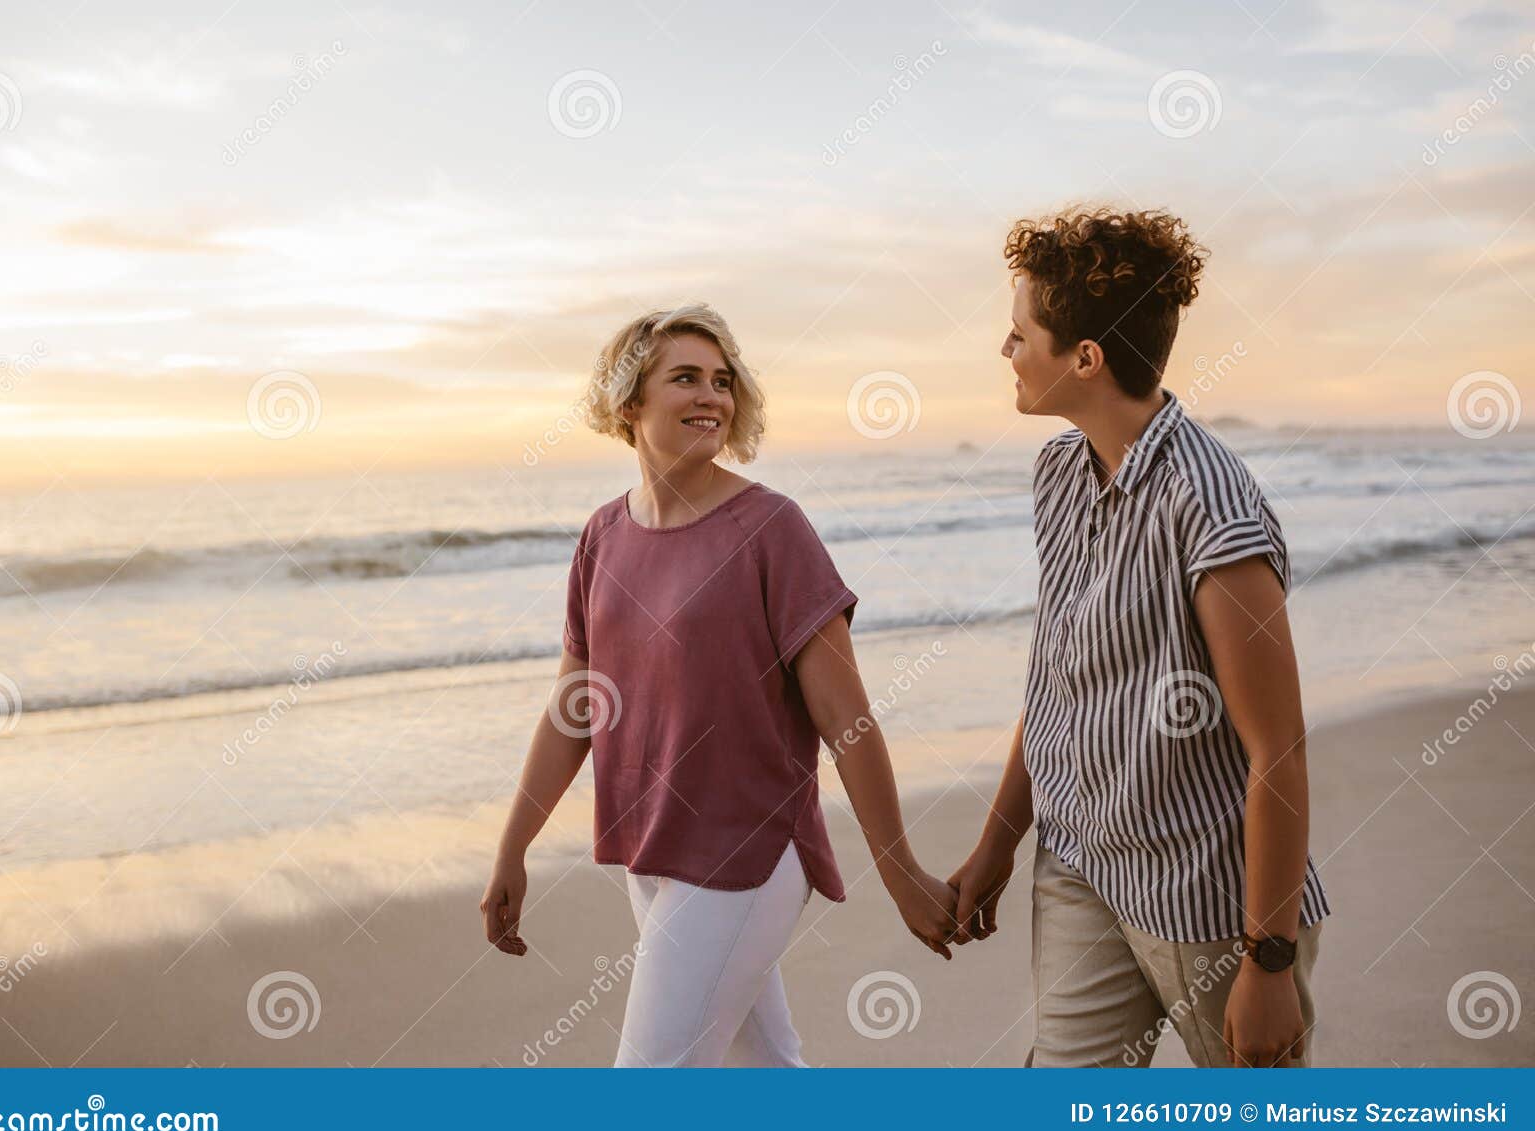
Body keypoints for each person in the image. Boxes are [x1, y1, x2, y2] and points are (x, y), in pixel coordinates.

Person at [480, 304, 958, 1067]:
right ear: (629, 400)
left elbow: (848, 720)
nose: (711, 396)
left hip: (749, 853)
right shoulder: (604, 535)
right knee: (765, 1074)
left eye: (723, 381)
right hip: (651, 851)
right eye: (686, 379)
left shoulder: (771, 529)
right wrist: (513, 847)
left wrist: (901, 876)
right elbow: (574, 708)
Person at [947, 207, 1332, 1068]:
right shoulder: (1057, 471)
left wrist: (1267, 961)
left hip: (1208, 898)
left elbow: (1279, 745)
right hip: (1081, 861)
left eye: (1019, 335)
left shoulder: (1210, 503)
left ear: (1085, 358)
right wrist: (997, 845)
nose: (1004, 351)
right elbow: (1056, 682)